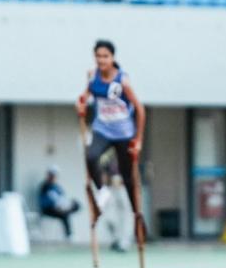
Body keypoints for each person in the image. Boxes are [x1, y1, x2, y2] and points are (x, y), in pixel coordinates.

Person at [76, 40, 146, 222]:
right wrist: (81, 103)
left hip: (123, 133)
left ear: (112, 58)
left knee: (128, 177)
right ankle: (102, 190)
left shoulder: (122, 80)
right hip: (103, 129)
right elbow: (86, 95)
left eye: (105, 56)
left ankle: (136, 214)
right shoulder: (93, 76)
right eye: (98, 56)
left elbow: (140, 110)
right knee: (91, 156)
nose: (101, 60)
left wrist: (138, 140)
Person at [39, 166, 80, 240]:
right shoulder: (45, 186)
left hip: (60, 208)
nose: (53, 177)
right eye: (51, 175)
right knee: (64, 214)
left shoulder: (57, 187)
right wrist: (58, 206)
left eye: (54, 175)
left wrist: (67, 204)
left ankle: (67, 211)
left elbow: (62, 198)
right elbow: (48, 201)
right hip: (48, 209)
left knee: (75, 205)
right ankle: (69, 235)